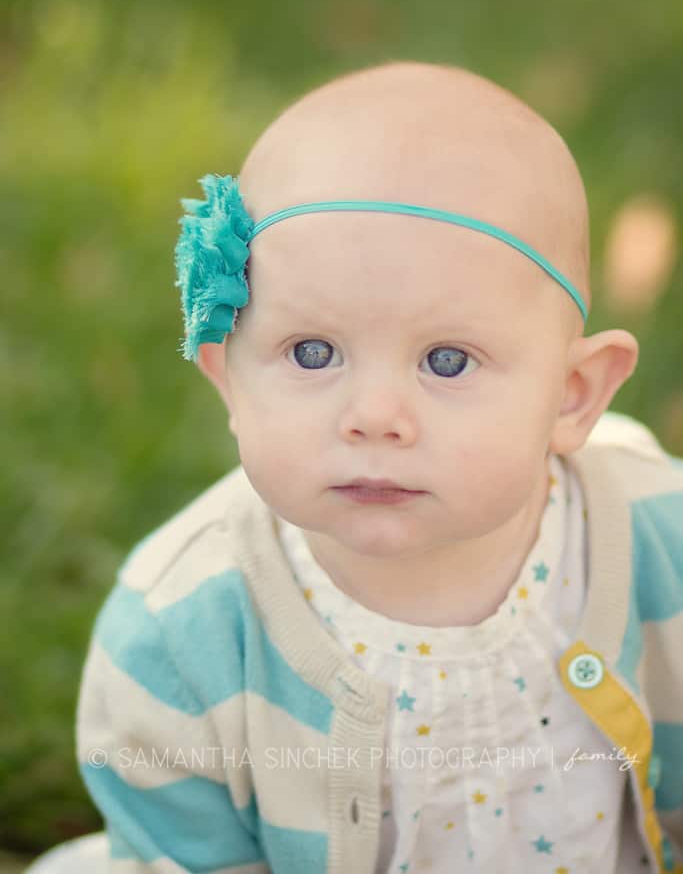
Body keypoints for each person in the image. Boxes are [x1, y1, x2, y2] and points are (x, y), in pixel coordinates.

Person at [71, 62, 683, 873]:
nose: (374, 415)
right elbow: (182, 849)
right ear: (229, 376)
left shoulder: (656, 541)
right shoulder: (179, 633)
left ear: (570, 396)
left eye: (447, 360)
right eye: (312, 352)